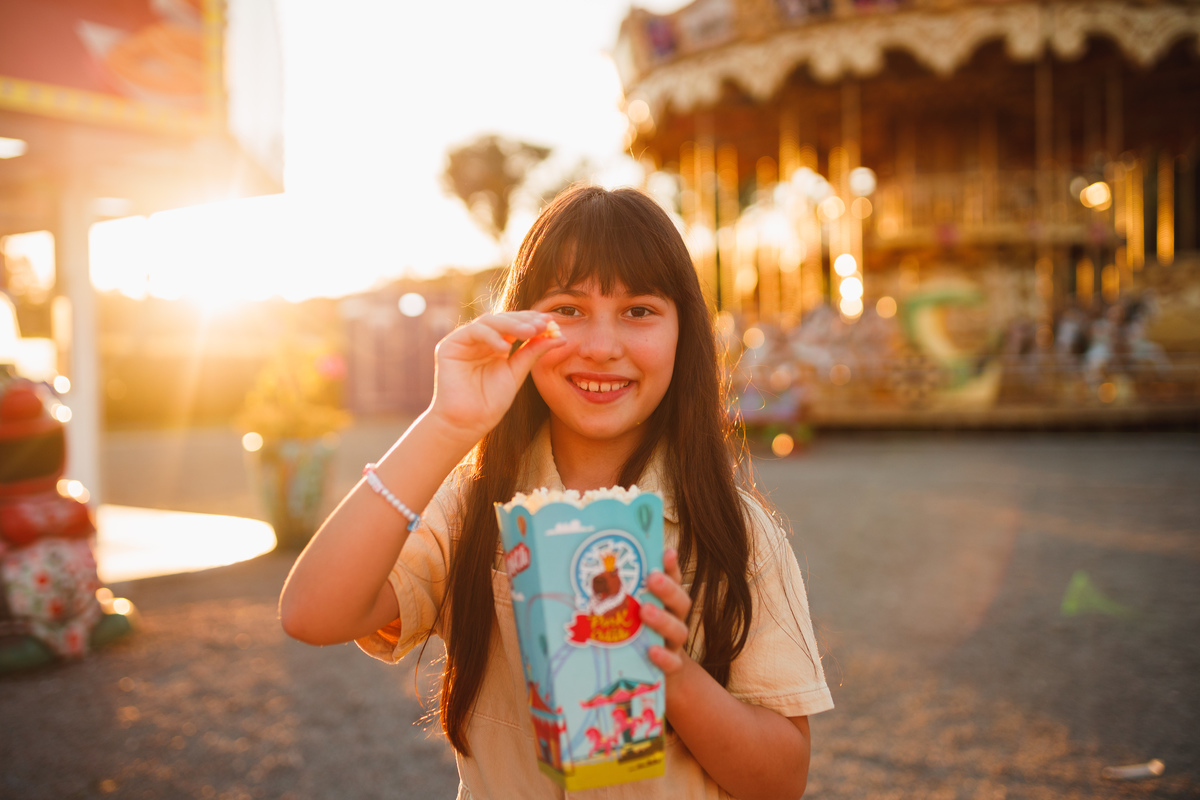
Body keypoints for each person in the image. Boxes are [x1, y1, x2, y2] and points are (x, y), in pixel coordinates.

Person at [280, 185, 833, 799]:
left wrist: (671, 672)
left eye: (639, 310)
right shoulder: (470, 512)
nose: (601, 346)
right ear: (519, 324)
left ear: (685, 333)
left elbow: (781, 780)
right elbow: (312, 614)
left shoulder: (737, 532)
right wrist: (447, 425)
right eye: (568, 309)